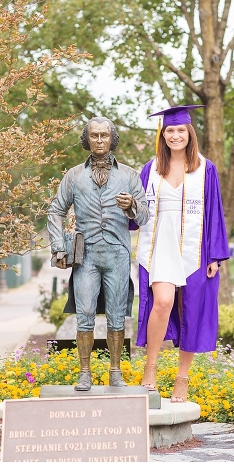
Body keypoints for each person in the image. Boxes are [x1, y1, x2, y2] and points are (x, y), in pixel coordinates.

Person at [131, 105, 230, 402]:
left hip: (194, 247)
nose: (175, 135)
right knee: (161, 304)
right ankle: (150, 368)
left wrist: (214, 255)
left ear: (190, 133)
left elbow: (214, 211)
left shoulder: (205, 168)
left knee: (192, 310)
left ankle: (182, 378)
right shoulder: (150, 168)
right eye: (170, 130)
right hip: (159, 244)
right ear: (163, 134)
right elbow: (137, 214)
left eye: (180, 130)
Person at [48, 116, 149, 391]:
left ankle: (115, 372)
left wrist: (131, 207)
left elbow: (144, 216)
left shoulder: (129, 175)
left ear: (112, 139)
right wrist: (58, 246)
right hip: (87, 255)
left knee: (117, 316)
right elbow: (56, 210)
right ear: (87, 139)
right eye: (95, 135)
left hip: (117, 254)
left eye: (105, 135)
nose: (100, 140)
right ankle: (84, 372)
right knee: (85, 314)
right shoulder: (74, 175)